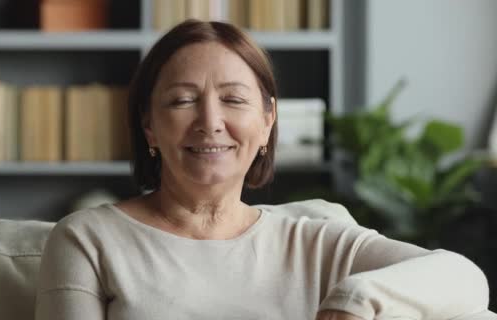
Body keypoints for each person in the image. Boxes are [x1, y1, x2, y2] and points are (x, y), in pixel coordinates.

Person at [35, 20, 491, 320]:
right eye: (183, 100)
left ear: (268, 121)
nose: (210, 121)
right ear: (150, 126)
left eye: (233, 100)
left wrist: (357, 300)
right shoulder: (86, 239)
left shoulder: (315, 240)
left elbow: (465, 280)